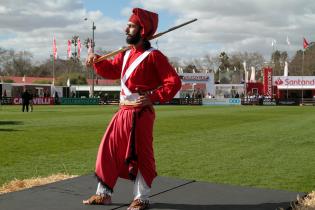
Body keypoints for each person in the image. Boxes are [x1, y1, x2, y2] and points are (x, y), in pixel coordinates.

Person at [83, 8, 181, 210]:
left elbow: (174, 83)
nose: (126, 28)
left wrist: (152, 97)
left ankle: (141, 198)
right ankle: (104, 194)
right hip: (122, 112)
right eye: (128, 25)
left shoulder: (155, 57)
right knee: (108, 150)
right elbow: (111, 70)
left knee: (141, 155)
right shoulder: (126, 54)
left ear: (142, 30)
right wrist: (96, 60)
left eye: (131, 25)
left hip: (141, 114)